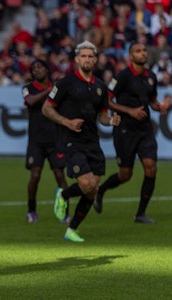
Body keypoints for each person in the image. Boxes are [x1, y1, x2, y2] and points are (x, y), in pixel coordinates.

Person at [42, 41, 120, 242]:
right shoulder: (65, 83)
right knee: (86, 184)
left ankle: (71, 230)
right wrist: (66, 122)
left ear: (95, 60)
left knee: (93, 189)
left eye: (90, 56)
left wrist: (111, 120)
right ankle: (64, 195)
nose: (87, 59)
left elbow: (102, 116)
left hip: (92, 142)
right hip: (71, 140)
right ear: (77, 59)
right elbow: (47, 109)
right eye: (83, 56)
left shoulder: (100, 87)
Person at [93, 41, 170, 224]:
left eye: (144, 50)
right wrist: (130, 111)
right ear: (131, 56)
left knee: (151, 168)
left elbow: (151, 99)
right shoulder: (122, 77)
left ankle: (140, 214)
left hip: (144, 129)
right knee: (125, 175)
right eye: (138, 51)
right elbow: (107, 101)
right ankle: (101, 190)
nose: (143, 53)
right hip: (125, 129)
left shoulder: (151, 76)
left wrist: (159, 107)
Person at [22, 59, 68, 223]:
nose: (37, 70)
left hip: (55, 138)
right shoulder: (28, 88)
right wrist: (50, 90)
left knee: (60, 176)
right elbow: (30, 101)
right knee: (35, 176)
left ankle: (65, 212)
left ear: (47, 70)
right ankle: (31, 210)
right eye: (34, 68)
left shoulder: (58, 87)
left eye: (40, 67)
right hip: (36, 141)